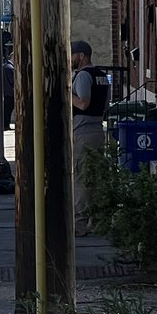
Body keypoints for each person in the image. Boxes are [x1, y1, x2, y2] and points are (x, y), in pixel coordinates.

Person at [70, 40, 109, 235]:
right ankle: (99, 220)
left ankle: (80, 224)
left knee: (82, 178)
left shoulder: (83, 76)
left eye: (72, 55)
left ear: (82, 56)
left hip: (83, 132)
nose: (70, 59)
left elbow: (83, 103)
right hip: (97, 131)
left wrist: (66, 94)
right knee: (96, 178)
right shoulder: (102, 76)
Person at [2, 45, 16, 132]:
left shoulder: (5, 66)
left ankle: (5, 125)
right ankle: (6, 125)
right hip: (10, 93)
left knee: (7, 110)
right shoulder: (10, 68)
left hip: (6, 92)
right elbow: (13, 81)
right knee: (8, 110)